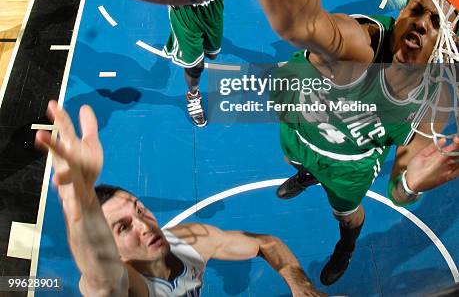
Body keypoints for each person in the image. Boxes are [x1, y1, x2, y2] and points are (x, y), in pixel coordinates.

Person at [253, 0, 459, 287]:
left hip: (349, 162)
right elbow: (301, 21)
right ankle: (305, 172)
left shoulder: (435, 97)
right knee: (291, 158)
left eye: (435, 22)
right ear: (400, 13)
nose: (420, 24)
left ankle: (346, 243)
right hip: (303, 122)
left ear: (446, 42)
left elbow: (400, 188)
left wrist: (413, 184)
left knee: (346, 213)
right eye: (417, 9)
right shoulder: (361, 40)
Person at [35, 101, 327, 297]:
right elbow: (101, 274)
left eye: (140, 209)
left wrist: (300, 285)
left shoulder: (191, 242)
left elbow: (267, 243)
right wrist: (80, 210)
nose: (145, 226)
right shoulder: (126, 284)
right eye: (123, 227)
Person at [164, 0, 224, 127]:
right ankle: (193, 95)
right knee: (196, 66)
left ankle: (197, 48)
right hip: (184, 11)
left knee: (213, 54)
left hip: (212, 4)